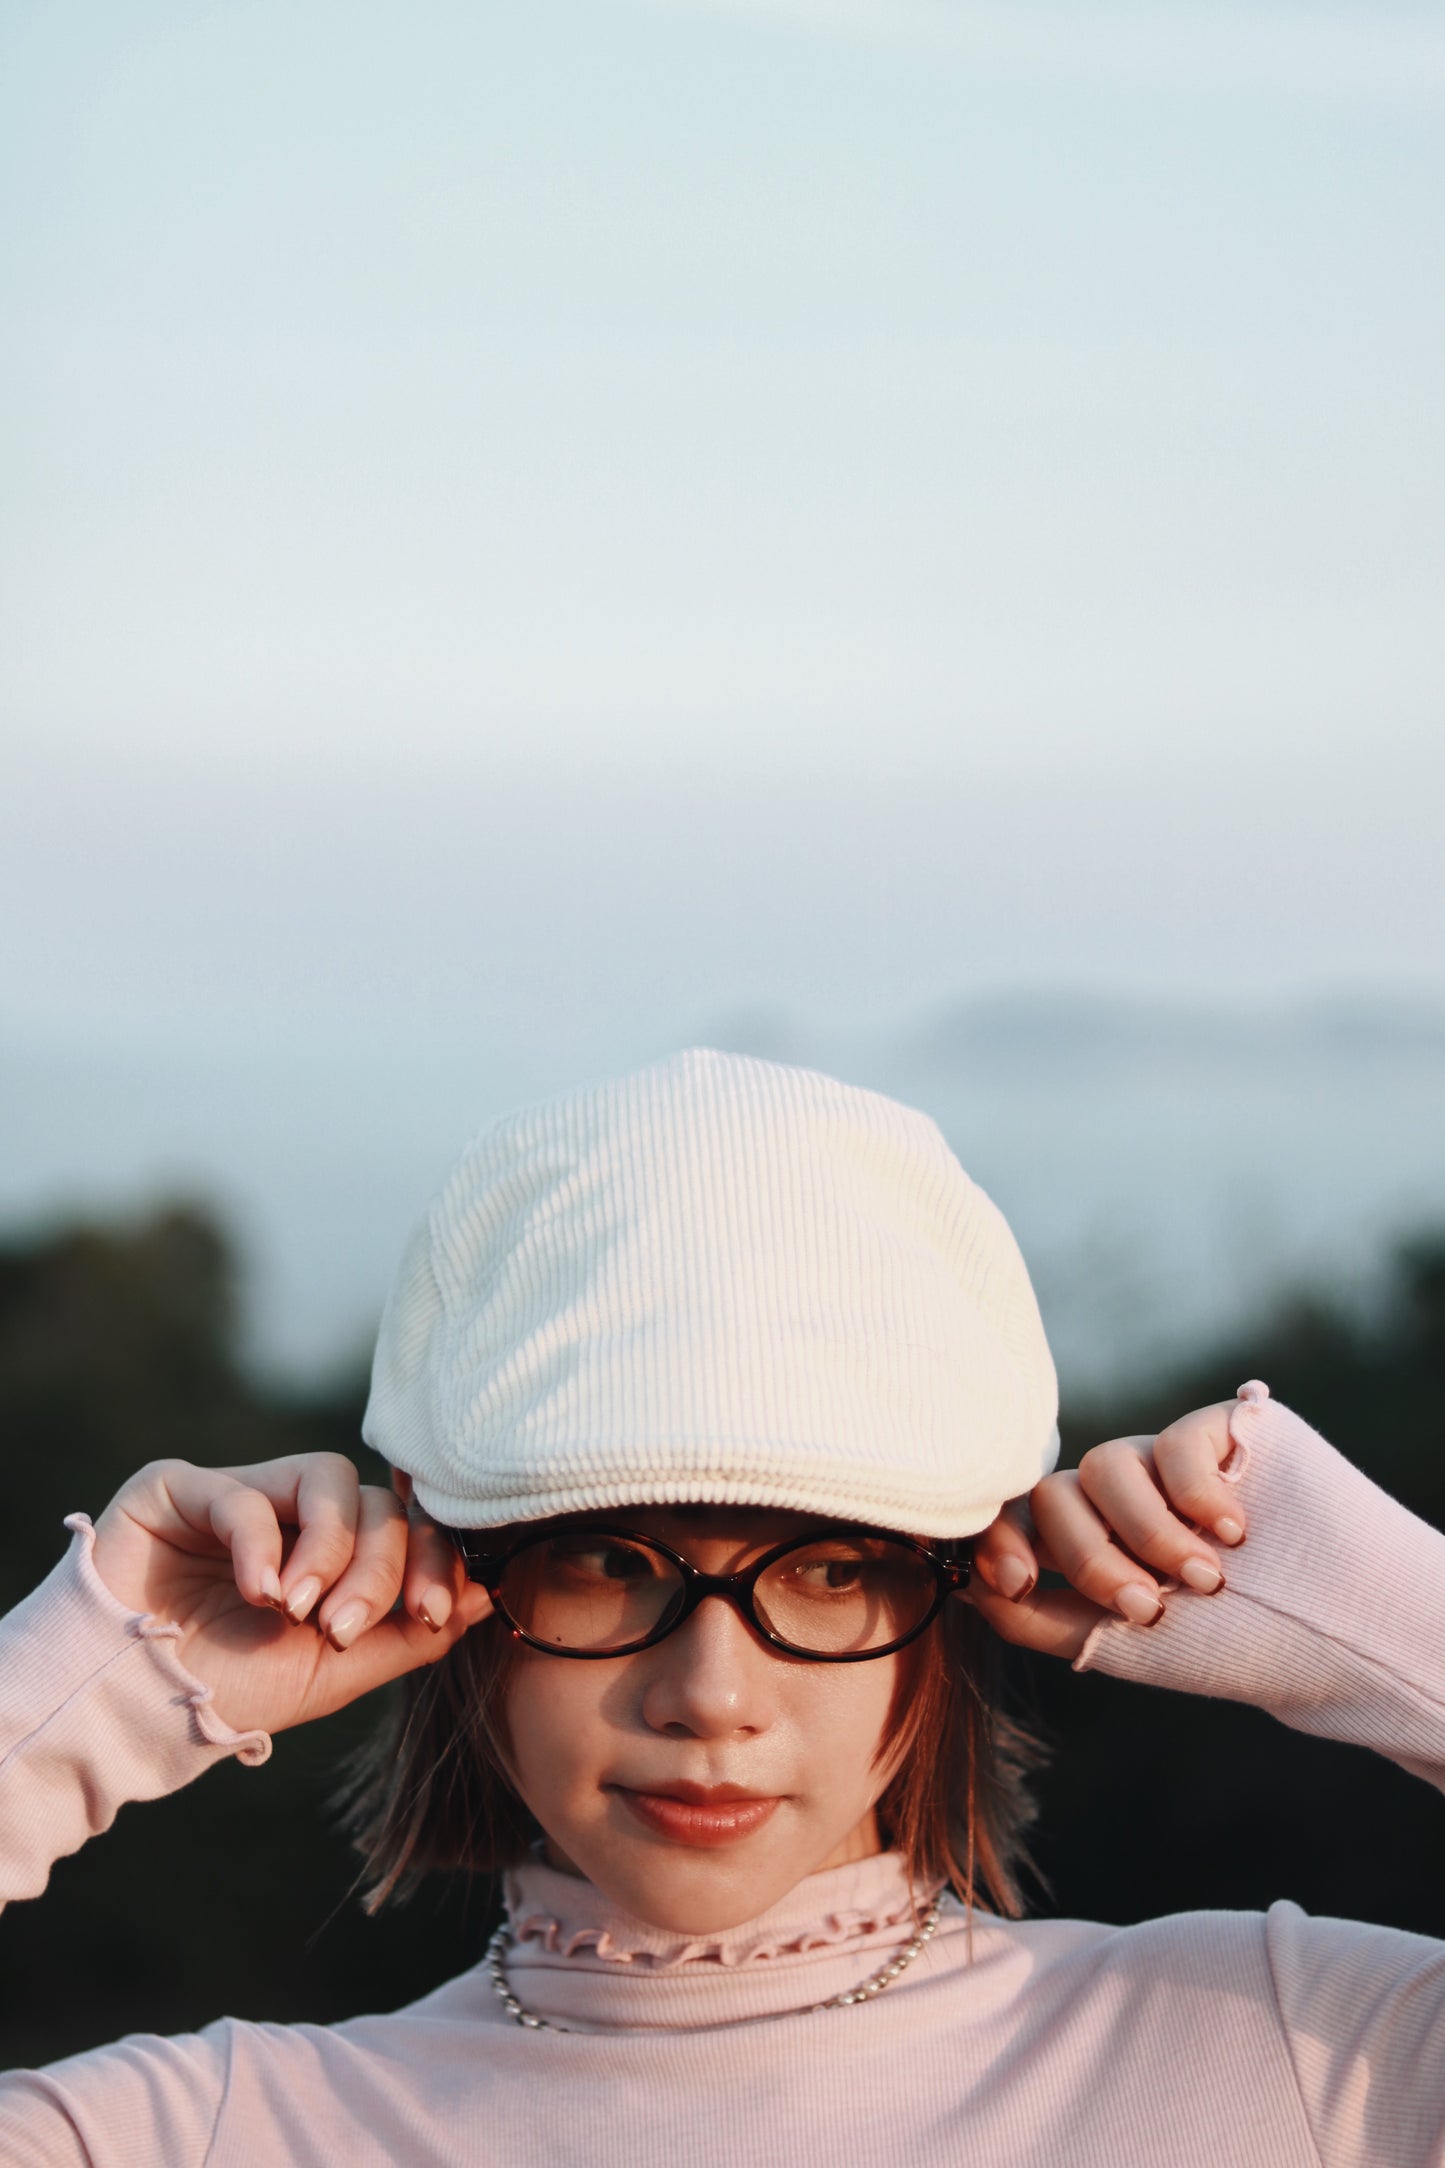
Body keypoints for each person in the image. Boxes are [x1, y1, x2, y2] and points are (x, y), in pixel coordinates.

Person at [0, 1046, 1441, 2166]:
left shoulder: (1303, 2059)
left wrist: (1374, 1609)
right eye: (607, 1562)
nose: (708, 1694)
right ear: (456, 1585)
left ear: (948, 1599)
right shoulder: (200, 2136)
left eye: (827, 1572)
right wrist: (83, 1692)